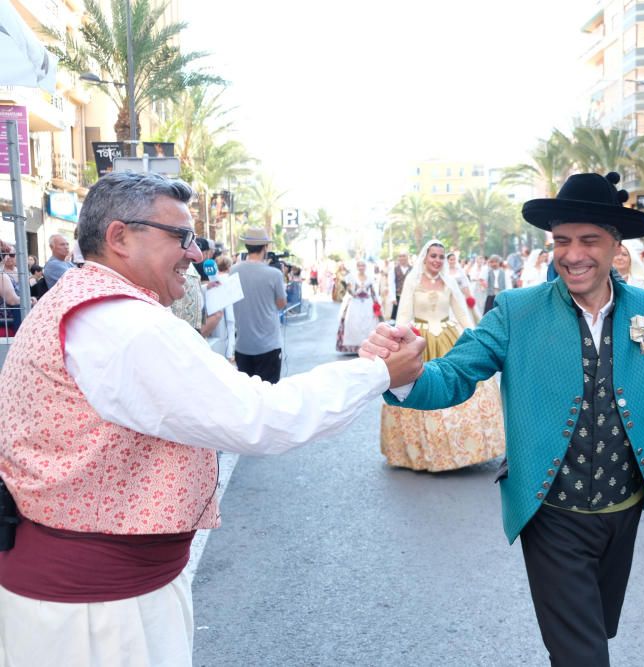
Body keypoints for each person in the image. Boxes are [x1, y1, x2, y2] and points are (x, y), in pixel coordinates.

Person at [0, 171, 425, 666]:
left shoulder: (86, 305)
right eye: (180, 237)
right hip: (101, 612)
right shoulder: (125, 324)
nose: (196, 253)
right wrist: (376, 373)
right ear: (119, 237)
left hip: (86, 598)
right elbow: (260, 418)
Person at [364, 172, 644, 666]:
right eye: (562, 241)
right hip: (552, 514)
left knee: (596, 629)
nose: (573, 254)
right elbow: (456, 374)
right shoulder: (516, 311)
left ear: (615, 245)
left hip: (624, 510)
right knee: (583, 655)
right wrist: (405, 374)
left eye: (589, 240)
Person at [380, 240, 505, 471]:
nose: (437, 260)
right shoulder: (413, 281)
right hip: (421, 339)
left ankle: (460, 450)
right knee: (418, 389)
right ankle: (423, 453)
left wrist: (476, 341)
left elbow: (462, 313)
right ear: (425, 258)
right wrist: (399, 344)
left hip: (449, 337)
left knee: (458, 383)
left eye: (441, 256)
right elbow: (404, 315)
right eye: (433, 256)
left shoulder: (449, 282)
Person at [231, 228, 287, 384]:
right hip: (268, 345)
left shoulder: (233, 271)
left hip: (243, 345)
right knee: (269, 393)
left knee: (248, 395)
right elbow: (281, 304)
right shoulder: (274, 274)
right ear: (265, 247)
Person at [335, 260, 381, 354]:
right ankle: (355, 347)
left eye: (363, 265)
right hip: (355, 303)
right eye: (359, 265)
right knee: (354, 324)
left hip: (367, 303)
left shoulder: (370, 278)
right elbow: (350, 292)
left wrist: (377, 305)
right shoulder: (351, 277)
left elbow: (373, 293)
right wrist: (353, 290)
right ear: (357, 267)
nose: (361, 267)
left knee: (368, 324)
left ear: (365, 267)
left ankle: (368, 347)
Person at [387, 251, 412, 321]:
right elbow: (391, 283)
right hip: (398, 296)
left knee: (408, 317)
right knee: (396, 317)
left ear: (408, 257)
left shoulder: (413, 269)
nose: (402, 258)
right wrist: (393, 297)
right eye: (400, 256)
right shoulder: (394, 269)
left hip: (409, 296)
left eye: (403, 256)